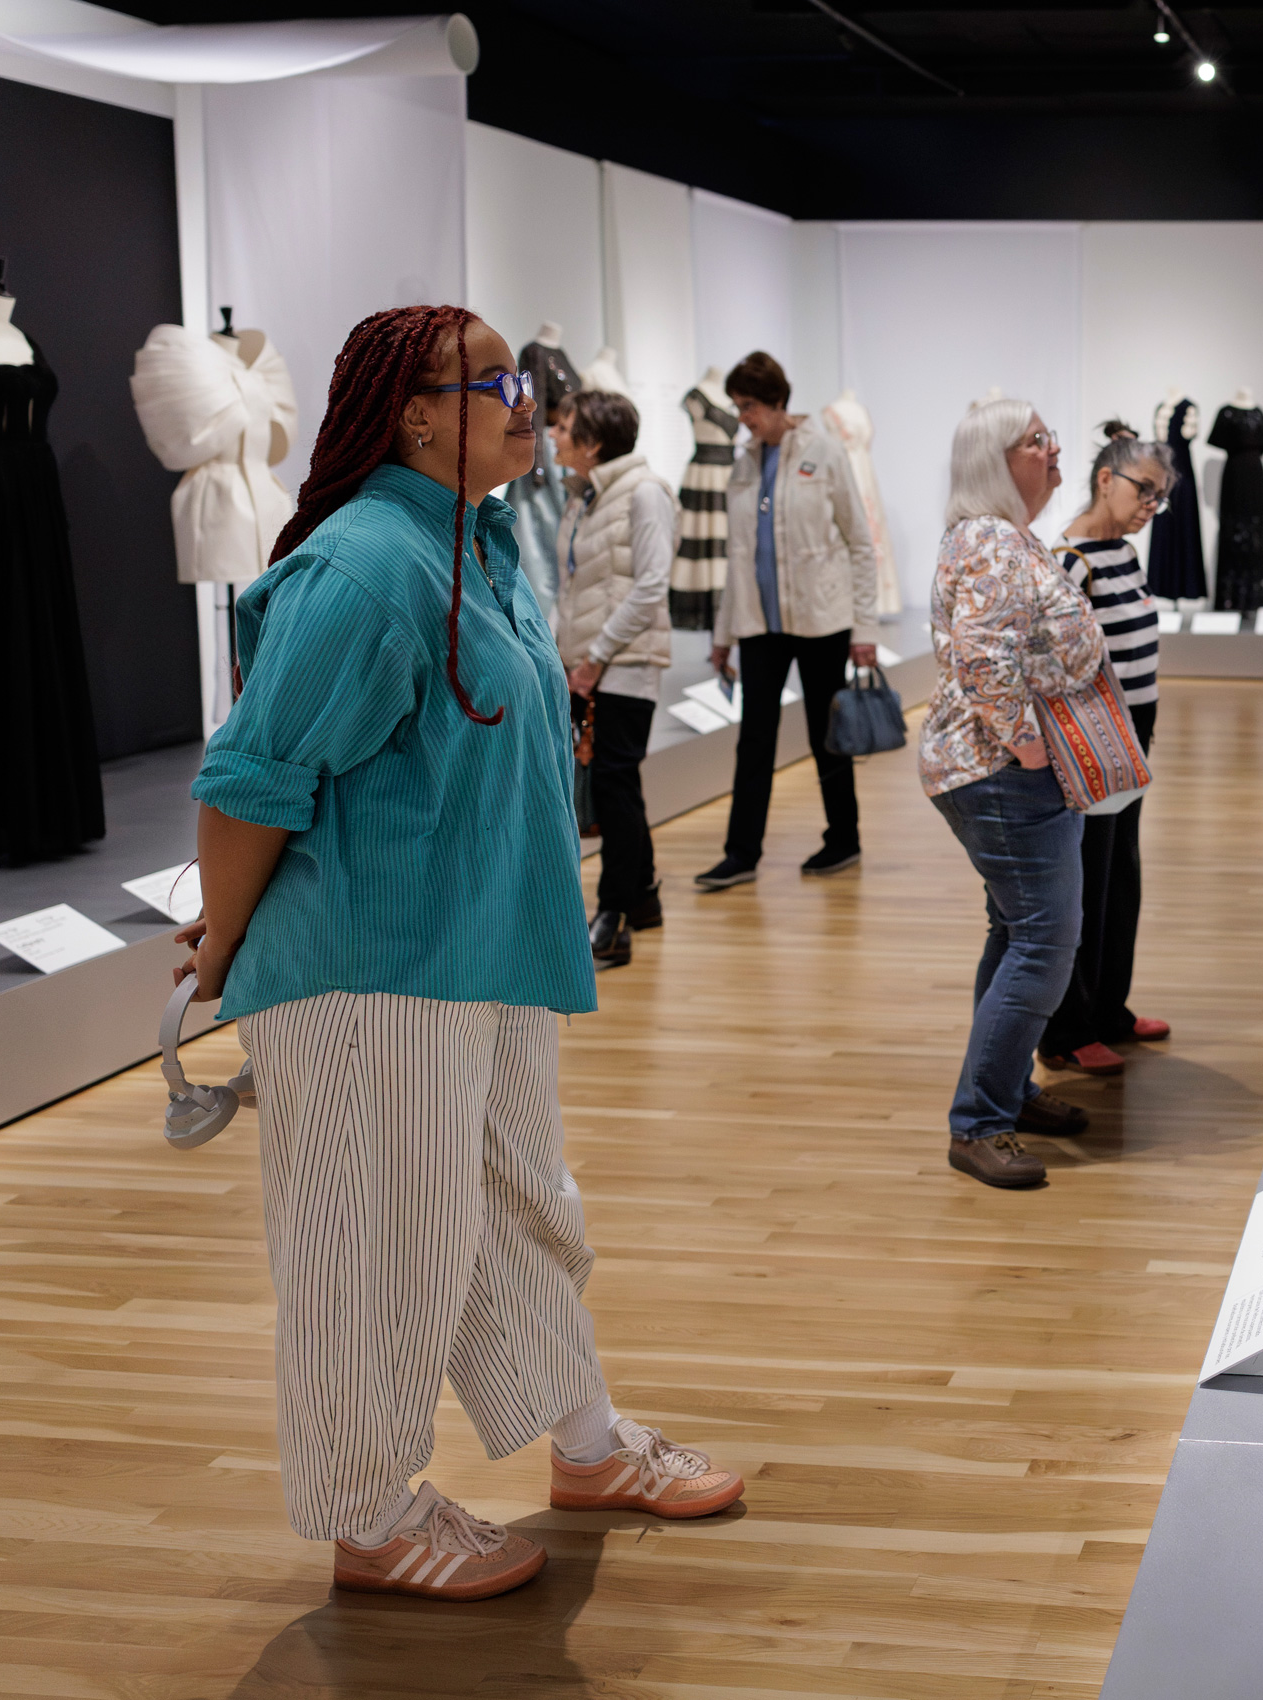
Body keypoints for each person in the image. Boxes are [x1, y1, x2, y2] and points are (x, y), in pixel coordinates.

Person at [176, 304, 742, 1603]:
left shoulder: (472, 540)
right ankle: (370, 1516)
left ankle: (586, 1443)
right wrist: (226, 941)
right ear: (415, 415)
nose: (526, 402)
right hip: (370, 968)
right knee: (372, 1246)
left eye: (522, 382)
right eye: (493, 384)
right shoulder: (365, 566)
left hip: (477, 950)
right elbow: (250, 779)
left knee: (516, 1212)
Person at [923, 398, 1108, 1188]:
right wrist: (1030, 748)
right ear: (995, 461)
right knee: (1043, 941)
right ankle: (979, 1123)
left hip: (996, 769)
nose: (1053, 448)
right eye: (1036, 440)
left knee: (1016, 932)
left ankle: (1004, 1090)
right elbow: (983, 659)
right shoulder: (994, 541)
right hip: (1003, 773)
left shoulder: (1002, 535)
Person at [697, 351, 884, 888]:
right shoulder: (743, 464)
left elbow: (860, 544)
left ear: (778, 401)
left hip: (823, 621)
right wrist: (723, 635)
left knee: (827, 734)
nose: (743, 417)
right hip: (760, 625)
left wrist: (865, 630)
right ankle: (741, 854)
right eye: (738, 407)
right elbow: (737, 558)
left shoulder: (824, 452)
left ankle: (843, 838)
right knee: (754, 739)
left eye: (750, 406)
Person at [1038, 423, 1177, 1075]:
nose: (1151, 506)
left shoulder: (1121, 552)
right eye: (1144, 490)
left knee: (1121, 874)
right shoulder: (1070, 559)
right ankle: (1067, 1029)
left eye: (1160, 497)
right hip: (1095, 736)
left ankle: (1109, 1010)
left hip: (1133, 732)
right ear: (1105, 479)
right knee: (1088, 878)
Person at [548, 387, 674, 968]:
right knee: (614, 784)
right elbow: (572, 588)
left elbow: (650, 585)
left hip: (625, 664)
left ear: (594, 442)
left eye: (564, 425)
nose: (553, 433)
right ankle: (642, 897)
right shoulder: (583, 498)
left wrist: (595, 655)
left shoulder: (645, 493)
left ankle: (614, 914)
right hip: (588, 667)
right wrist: (562, 655)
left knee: (614, 785)